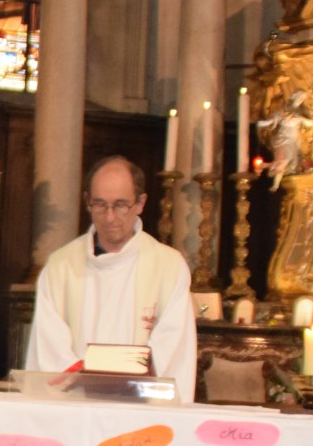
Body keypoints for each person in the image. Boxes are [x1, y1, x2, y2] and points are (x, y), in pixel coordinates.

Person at [24, 156, 197, 385]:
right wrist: (89, 383)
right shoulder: (60, 267)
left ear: (140, 203)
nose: (109, 216)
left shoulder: (169, 267)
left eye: (120, 205)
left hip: (142, 411)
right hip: (77, 405)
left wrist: (125, 380)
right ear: (87, 201)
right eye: (100, 204)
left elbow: (173, 347)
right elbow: (49, 348)